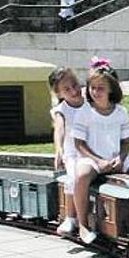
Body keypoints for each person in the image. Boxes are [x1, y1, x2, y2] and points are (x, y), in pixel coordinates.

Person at [73, 57, 129, 245]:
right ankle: (82, 224)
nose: (96, 92)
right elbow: (79, 144)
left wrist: (121, 158)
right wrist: (98, 161)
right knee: (82, 176)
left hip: (117, 157)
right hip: (92, 158)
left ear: (111, 89)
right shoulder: (84, 112)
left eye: (101, 88)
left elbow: (126, 141)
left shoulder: (120, 112)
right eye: (92, 87)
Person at [48, 66, 88, 236]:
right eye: (67, 89)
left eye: (75, 85)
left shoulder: (90, 102)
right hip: (72, 153)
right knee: (74, 178)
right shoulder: (61, 110)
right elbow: (59, 130)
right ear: (59, 94)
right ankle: (70, 217)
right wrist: (59, 150)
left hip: (90, 150)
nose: (73, 91)